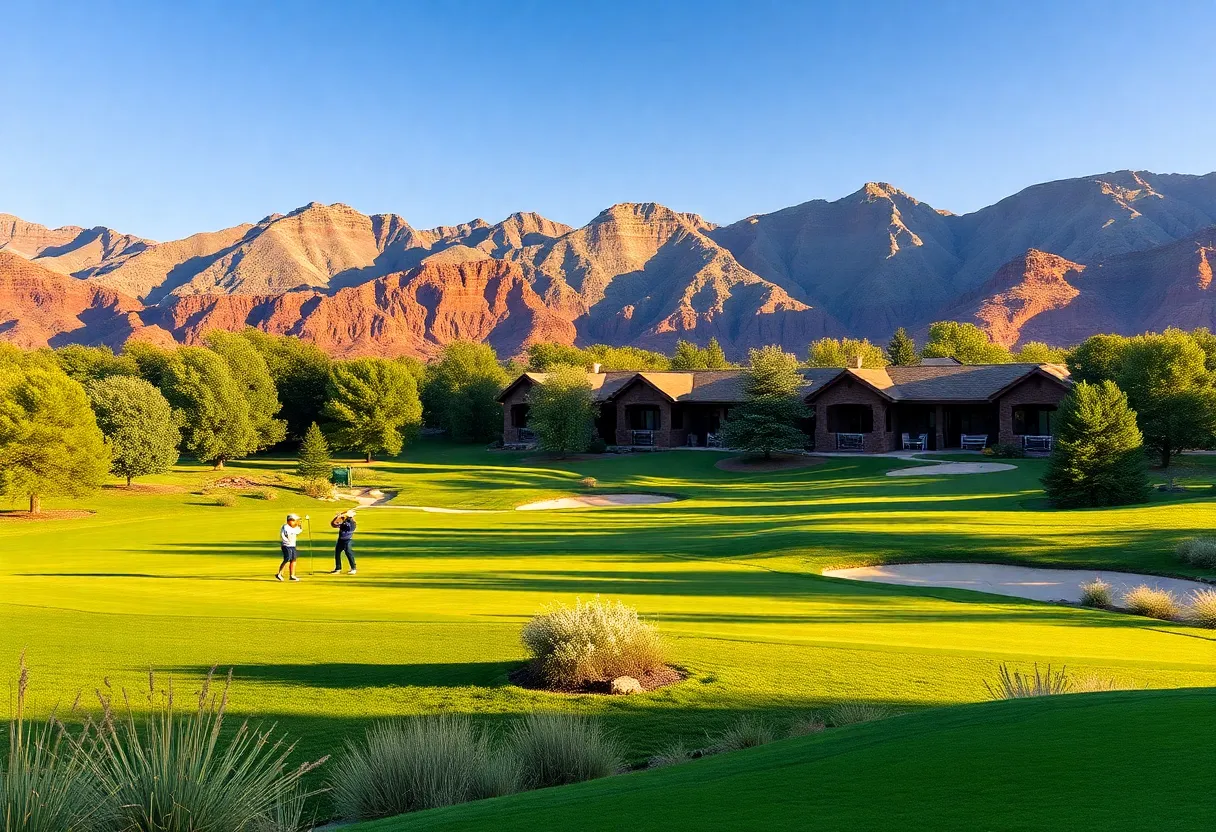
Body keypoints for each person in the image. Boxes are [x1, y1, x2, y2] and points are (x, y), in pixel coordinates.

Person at [275, 513, 306, 581]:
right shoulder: (286, 527)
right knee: (287, 558)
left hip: (292, 545)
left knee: (293, 560)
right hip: (286, 545)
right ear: (289, 521)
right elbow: (292, 531)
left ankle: (292, 575)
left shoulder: (293, 527)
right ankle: (279, 574)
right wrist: (297, 525)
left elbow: (299, 531)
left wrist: (299, 525)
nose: (295, 522)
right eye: (294, 520)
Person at [329, 508, 357, 574]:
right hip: (340, 540)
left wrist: (340, 517)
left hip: (347, 540)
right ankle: (338, 569)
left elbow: (347, 525)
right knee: (337, 554)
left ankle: (353, 568)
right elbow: (334, 524)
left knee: (349, 554)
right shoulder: (344, 522)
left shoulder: (352, 523)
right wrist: (336, 517)